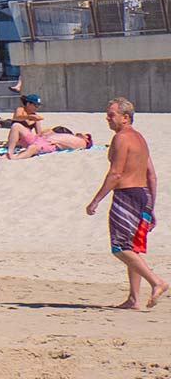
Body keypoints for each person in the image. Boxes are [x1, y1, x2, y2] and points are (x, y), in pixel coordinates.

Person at [85, 97, 164, 310]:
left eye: (111, 115)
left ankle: (157, 282)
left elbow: (116, 173)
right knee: (132, 248)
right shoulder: (140, 138)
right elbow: (152, 176)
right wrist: (151, 207)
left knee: (119, 247)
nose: (107, 119)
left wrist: (96, 200)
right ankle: (134, 299)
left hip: (126, 195)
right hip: (143, 195)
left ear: (125, 117)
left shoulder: (121, 138)